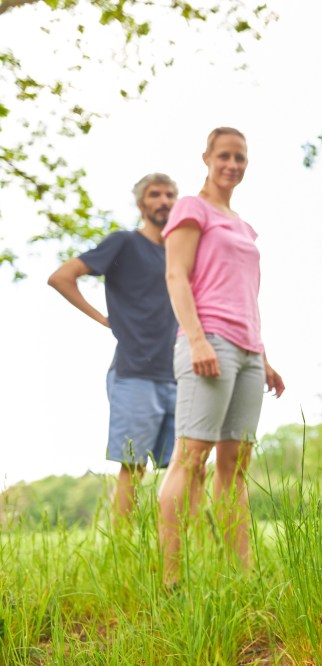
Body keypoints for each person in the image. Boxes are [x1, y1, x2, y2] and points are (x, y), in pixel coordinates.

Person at [158, 127, 284, 586]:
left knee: (236, 466)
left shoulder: (243, 225)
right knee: (191, 457)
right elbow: (176, 276)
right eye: (225, 156)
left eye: (241, 158)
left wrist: (264, 356)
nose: (233, 165)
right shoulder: (191, 208)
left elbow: (246, 294)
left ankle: (241, 574)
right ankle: (173, 579)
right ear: (207, 157)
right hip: (208, 340)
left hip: (248, 349)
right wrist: (195, 340)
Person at [48, 173, 179, 525]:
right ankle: (122, 554)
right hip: (134, 373)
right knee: (133, 468)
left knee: (182, 468)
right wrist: (103, 319)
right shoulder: (124, 243)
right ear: (141, 204)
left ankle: (177, 551)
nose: (163, 200)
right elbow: (61, 276)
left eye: (169, 194)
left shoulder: (180, 255)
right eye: (155, 194)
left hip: (179, 374)